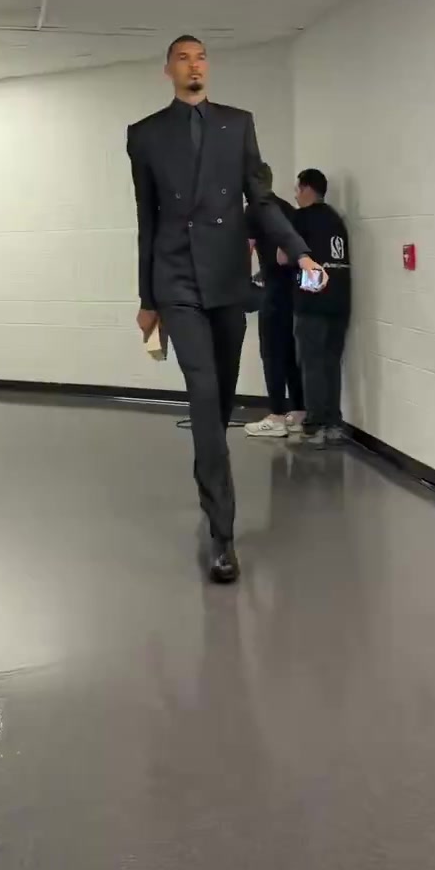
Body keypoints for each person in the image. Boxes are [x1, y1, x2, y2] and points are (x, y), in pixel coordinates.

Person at [127, 36, 325, 583]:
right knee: (202, 391)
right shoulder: (144, 134)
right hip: (175, 279)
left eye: (201, 57)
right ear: (168, 70)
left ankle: (207, 470)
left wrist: (301, 251)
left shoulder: (238, 125)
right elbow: (147, 220)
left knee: (220, 401)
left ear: (207, 68)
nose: (194, 65)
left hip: (227, 279)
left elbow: (260, 202)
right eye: (183, 58)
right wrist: (147, 299)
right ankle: (223, 535)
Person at [290, 168, 351, 449]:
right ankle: (334, 424)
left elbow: (283, 256)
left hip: (312, 300)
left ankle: (314, 425)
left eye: (297, 189)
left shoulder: (301, 218)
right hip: (339, 301)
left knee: (311, 363)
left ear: (306, 189)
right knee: (330, 363)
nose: (295, 195)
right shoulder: (337, 219)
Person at [244, 164, 305, 439]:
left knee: (270, 353)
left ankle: (277, 415)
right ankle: (299, 412)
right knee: (290, 352)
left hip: (273, 292)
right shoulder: (288, 209)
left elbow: (245, 250)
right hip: (293, 289)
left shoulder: (253, 210)